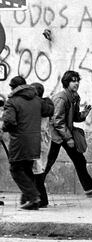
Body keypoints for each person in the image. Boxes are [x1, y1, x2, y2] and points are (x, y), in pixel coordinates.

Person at [43, 70, 92, 198]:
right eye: (73, 81)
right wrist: (69, 139)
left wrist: (84, 114)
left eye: (77, 80)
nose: (76, 83)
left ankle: (90, 189)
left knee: (79, 160)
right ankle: (34, 187)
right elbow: (57, 121)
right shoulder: (61, 98)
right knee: (48, 162)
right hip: (56, 135)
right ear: (66, 83)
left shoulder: (75, 97)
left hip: (64, 133)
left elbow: (74, 117)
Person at [2, 76, 54, 210]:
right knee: (27, 169)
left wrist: (6, 129)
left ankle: (33, 197)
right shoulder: (37, 99)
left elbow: (9, 122)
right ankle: (29, 200)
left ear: (13, 88)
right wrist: (47, 100)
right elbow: (49, 110)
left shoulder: (12, 101)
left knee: (16, 169)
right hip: (35, 142)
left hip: (19, 141)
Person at [30, 83, 53, 208]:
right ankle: (39, 198)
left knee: (37, 170)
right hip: (42, 141)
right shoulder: (46, 103)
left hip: (38, 140)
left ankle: (41, 198)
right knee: (38, 169)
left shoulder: (40, 104)